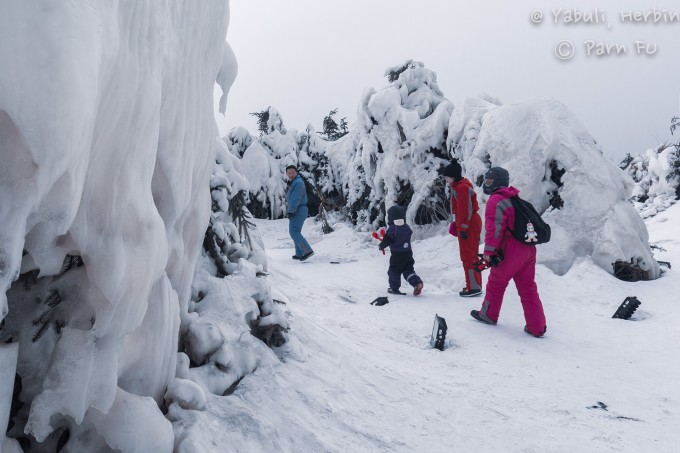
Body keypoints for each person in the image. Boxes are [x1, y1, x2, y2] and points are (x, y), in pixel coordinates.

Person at [470, 167, 547, 337]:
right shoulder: (514, 199)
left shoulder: (496, 200)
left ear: (497, 182)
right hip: (528, 249)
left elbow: (494, 229)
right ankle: (537, 327)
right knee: (528, 287)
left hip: (511, 250)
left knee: (496, 282)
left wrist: (489, 252)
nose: (486, 184)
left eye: (489, 181)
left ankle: (488, 314)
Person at [443, 160, 483, 297]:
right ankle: (475, 285)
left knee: (468, 256)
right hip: (470, 222)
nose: (445, 179)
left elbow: (465, 210)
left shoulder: (462, 188)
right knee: (471, 255)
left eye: (447, 176)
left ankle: (473, 287)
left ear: (453, 176)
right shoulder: (459, 187)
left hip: (469, 224)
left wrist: (463, 228)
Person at [378, 205, 424, 296]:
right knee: (408, 270)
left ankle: (394, 288)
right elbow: (408, 233)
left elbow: (387, 239)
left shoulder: (393, 228)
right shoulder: (406, 227)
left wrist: (382, 245)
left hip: (397, 255)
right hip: (408, 254)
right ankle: (416, 283)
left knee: (394, 271)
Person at [285, 165, 314, 261]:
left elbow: (295, 198)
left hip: (299, 209)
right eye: (288, 173)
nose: (290, 174)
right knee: (295, 231)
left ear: (296, 173)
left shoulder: (298, 183)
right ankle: (299, 253)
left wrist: (290, 211)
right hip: (298, 209)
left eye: (292, 172)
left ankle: (307, 251)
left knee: (294, 231)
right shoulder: (293, 183)